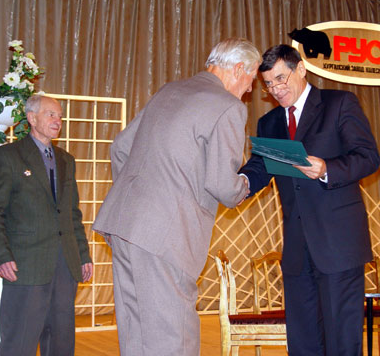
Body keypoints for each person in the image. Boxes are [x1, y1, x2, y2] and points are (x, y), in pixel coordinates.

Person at [92, 38, 262, 355]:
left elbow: (120, 148)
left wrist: (136, 202)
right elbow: (222, 184)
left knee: (136, 334)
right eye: (252, 78)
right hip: (166, 235)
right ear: (239, 69)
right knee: (173, 337)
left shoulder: (169, 91)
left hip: (124, 226)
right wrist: (245, 184)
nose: (250, 88)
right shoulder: (228, 106)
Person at [239, 44, 380, 355]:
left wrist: (328, 169)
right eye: (268, 84)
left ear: (301, 69)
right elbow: (260, 167)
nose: (275, 89)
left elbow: (368, 157)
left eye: (281, 79)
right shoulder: (270, 123)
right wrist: (240, 183)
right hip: (297, 250)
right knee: (303, 343)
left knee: (342, 341)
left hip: (338, 245)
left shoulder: (339, 104)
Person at [0, 94, 93, 356]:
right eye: (51, 114)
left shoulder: (66, 160)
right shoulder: (9, 156)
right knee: (18, 343)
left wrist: (82, 255)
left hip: (65, 266)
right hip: (26, 266)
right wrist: (2, 256)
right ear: (32, 118)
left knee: (61, 344)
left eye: (60, 116)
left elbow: (72, 213)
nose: (58, 121)